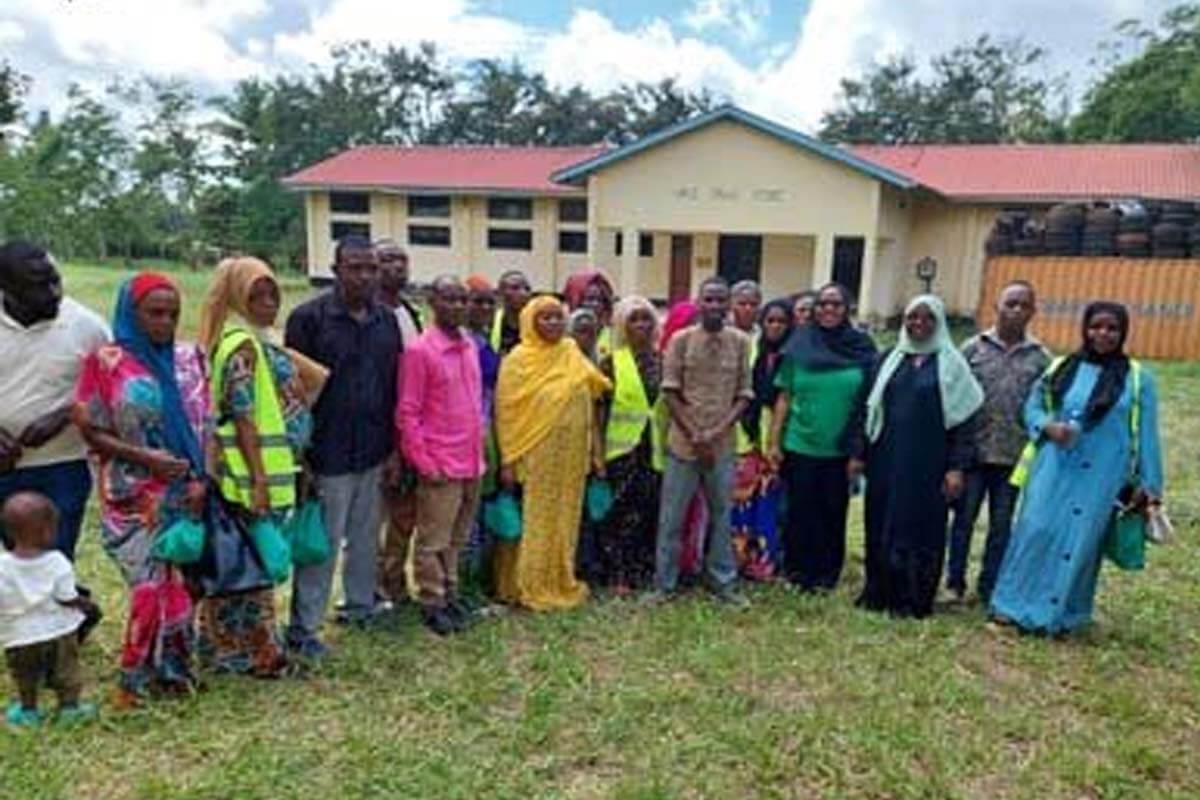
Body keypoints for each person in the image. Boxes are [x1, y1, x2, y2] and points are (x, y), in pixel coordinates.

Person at [73, 272, 208, 704]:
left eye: (172, 314)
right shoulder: (107, 362)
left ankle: (174, 671)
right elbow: (92, 429)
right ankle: (134, 678)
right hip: (131, 497)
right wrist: (147, 459)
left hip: (179, 494)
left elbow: (202, 425)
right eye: (155, 313)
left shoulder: (186, 361)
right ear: (132, 313)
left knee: (178, 586)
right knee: (148, 587)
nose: (165, 322)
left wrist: (199, 479)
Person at [990, 302, 1162, 635]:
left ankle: (1061, 616)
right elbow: (1033, 406)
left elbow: (1148, 436)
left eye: (1112, 328)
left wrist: (1150, 486)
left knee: (1080, 542)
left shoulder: (1139, 380)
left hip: (1102, 475)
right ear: (1085, 328)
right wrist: (1047, 426)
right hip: (1054, 468)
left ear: (1122, 332)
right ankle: (1010, 606)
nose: (1103, 334)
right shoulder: (1061, 368)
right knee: (1035, 530)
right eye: (1096, 326)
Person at [196, 257, 327, 675]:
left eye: (273, 293)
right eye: (257, 295)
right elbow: (244, 416)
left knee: (250, 564)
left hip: (272, 469)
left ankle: (244, 650)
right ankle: (252, 654)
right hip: (249, 476)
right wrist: (257, 479)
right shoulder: (241, 346)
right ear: (236, 297)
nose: (269, 302)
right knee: (246, 564)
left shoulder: (261, 340)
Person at [284, 236, 401, 656]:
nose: (365, 276)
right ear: (336, 271)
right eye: (355, 267)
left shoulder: (386, 321)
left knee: (367, 537)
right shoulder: (308, 320)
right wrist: (302, 456)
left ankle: (359, 606)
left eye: (371, 268)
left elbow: (392, 388)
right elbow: (294, 394)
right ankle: (304, 628)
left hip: (373, 447)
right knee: (322, 543)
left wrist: (393, 450)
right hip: (325, 452)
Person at [851, 295, 982, 619]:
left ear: (939, 324)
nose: (918, 325)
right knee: (882, 522)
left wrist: (956, 468)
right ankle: (878, 592)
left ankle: (914, 598)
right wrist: (857, 455)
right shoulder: (887, 360)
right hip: (886, 459)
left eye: (927, 319)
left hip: (930, 463)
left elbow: (965, 422)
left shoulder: (952, 365)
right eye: (912, 318)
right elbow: (864, 410)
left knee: (921, 527)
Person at [494, 295, 610, 611]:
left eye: (558, 317)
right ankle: (526, 584)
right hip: (535, 453)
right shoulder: (518, 360)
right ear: (530, 321)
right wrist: (509, 459)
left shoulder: (570, 353)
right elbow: (507, 412)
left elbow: (598, 386)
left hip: (571, 456)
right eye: (545, 317)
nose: (553, 323)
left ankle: (559, 578)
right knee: (535, 518)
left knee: (565, 518)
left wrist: (593, 453)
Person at [0, 241, 110, 559]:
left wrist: (66, 415)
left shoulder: (88, 327)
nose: (53, 293)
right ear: (6, 287)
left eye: (55, 280)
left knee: (49, 569)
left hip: (60, 470)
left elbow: (115, 392)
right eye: (37, 286)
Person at [945, 281, 1050, 603]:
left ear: (1032, 311)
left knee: (1001, 526)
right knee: (963, 522)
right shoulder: (972, 349)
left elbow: (1047, 405)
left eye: (1023, 305)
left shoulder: (1041, 358)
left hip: (1012, 458)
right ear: (997, 307)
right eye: (1011, 304)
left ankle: (990, 586)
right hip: (973, 454)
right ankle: (954, 583)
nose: (1016, 310)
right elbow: (954, 400)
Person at [651, 277, 753, 606]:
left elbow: (743, 395)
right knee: (672, 517)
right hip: (683, 444)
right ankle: (664, 585)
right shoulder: (680, 340)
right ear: (698, 302)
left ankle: (722, 582)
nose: (715, 306)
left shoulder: (740, 342)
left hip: (722, 446)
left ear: (728, 305)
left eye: (721, 300)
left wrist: (714, 433)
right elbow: (670, 391)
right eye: (709, 299)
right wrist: (695, 434)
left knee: (722, 516)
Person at [767, 283, 876, 592]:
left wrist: (859, 452)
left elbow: (870, 401)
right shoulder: (799, 344)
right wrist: (774, 442)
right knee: (800, 513)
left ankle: (826, 575)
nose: (828, 310)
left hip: (841, 449)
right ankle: (797, 572)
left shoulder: (862, 348)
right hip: (800, 445)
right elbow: (784, 398)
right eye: (823, 304)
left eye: (836, 304)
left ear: (847, 309)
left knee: (832, 513)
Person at [398, 276, 485, 636]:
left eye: (463, 300)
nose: (458, 306)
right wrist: (424, 462)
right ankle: (431, 600)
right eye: (449, 299)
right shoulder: (421, 351)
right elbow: (407, 413)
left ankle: (451, 592)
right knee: (433, 539)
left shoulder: (468, 344)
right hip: (440, 462)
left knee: (457, 537)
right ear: (432, 302)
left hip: (471, 459)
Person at [1, 492, 98, 727]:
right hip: (58, 631)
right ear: (46, 531)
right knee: (66, 671)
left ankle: (28, 711)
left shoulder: (3, 565)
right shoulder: (56, 561)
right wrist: (86, 606)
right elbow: (66, 597)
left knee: (25, 675)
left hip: (18, 636)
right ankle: (69, 709)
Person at [594, 296, 662, 594]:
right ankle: (616, 574)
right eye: (634, 319)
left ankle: (643, 570)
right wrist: (597, 453)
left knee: (650, 511)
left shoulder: (664, 360)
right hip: (622, 450)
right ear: (622, 325)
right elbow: (599, 412)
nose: (641, 325)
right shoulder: (612, 362)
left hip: (657, 450)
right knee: (618, 514)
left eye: (646, 318)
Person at [375, 241, 423, 610]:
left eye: (401, 260)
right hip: (378, 431)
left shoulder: (409, 311)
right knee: (373, 518)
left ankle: (395, 582)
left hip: (409, 429)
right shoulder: (370, 314)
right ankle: (373, 587)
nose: (396, 266)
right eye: (387, 259)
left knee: (405, 514)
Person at [731, 298, 793, 581]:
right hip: (747, 437)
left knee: (769, 506)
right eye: (770, 320)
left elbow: (784, 399)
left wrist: (773, 442)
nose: (775, 326)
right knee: (744, 504)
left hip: (775, 440)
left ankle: (767, 564)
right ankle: (742, 561)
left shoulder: (792, 356)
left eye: (781, 321)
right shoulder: (755, 352)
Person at [563, 268, 616, 358]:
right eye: (590, 299)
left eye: (601, 300)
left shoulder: (615, 337)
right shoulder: (559, 336)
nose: (596, 304)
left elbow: (627, 371)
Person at [491, 270, 531, 356]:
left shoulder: (537, 324)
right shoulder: (490, 322)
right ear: (500, 293)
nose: (523, 293)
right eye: (515, 288)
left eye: (527, 289)